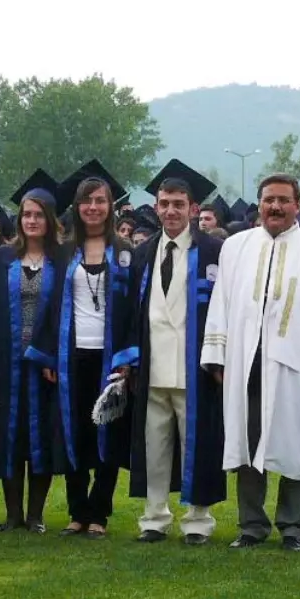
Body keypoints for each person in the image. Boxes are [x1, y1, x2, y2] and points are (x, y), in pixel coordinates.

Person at [200, 174, 300, 551]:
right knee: (249, 440)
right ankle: (251, 525)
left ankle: (293, 527)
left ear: (298, 205)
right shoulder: (236, 246)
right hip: (245, 358)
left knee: (294, 442)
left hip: (295, 361)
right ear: (259, 204)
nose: (276, 207)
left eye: (284, 200)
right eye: (269, 200)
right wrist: (217, 353)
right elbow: (221, 302)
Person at [115, 161, 228, 545]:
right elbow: (132, 313)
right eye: (164, 203)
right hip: (152, 366)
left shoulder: (215, 251)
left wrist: (219, 358)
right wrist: (129, 362)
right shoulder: (144, 252)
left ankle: (197, 520)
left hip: (196, 367)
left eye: (179, 203)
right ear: (156, 206)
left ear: (194, 209)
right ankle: (154, 517)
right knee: (154, 444)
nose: (170, 211)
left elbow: (225, 311)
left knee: (197, 444)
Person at [40, 161, 133, 539]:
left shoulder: (126, 252)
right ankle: (78, 511)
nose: (93, 207)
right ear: (76, 207)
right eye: (86, 201)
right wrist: (48, 356)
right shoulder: (63, 252)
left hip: (111, 356)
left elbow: (133, 309)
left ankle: (100, 512)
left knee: (108, 429)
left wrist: (129, 359)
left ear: (111, 207)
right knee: (75, 431)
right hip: (71, 354)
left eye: (100, 201)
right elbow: (49, 306)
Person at [0, 171, 64, 533]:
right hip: (5, 361)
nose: (31, 220)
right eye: (26, 215)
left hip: (45, 365)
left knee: (40, 437)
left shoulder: (63, 261)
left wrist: (51, 355)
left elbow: (66, 312)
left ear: (49, 220)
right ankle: (13, 515)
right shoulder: (0, 259)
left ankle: (36, 516)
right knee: (9, 436)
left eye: (38, 214)